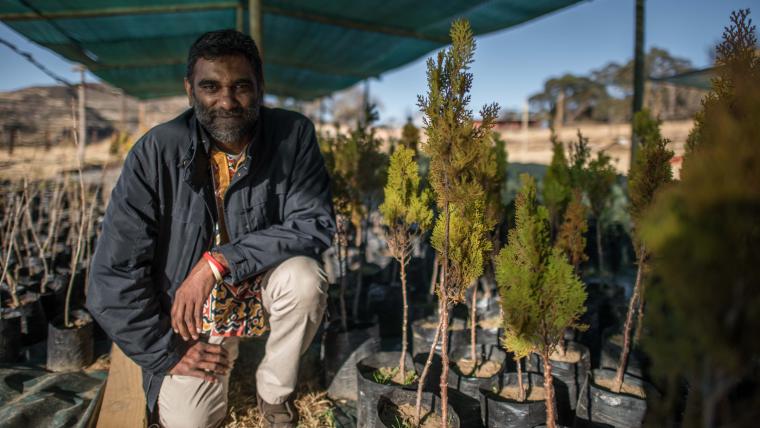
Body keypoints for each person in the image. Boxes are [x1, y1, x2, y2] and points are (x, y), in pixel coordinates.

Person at [86, 29, 335, 428]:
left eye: (241, 86)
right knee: (189, 421)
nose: (227, 101)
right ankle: (218, 356)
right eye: (210, 86)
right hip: (190, 310)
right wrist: (168, 352)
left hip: (258, 279)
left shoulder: (292, 135)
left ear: (260, 87)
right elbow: (110, 278)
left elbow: (314, 223)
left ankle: (273, 394)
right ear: (189, 90)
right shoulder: (156, 152)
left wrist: (218, 261)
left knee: (306, 279)